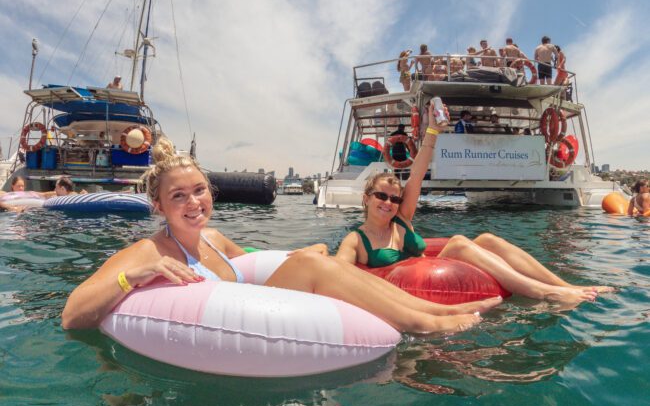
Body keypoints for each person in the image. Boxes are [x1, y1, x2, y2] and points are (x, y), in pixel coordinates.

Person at [62, 138, 489, 335]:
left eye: (199, 190)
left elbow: (254, 259)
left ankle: (430, 310)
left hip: (251, 305)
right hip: (218, 331)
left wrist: (301, 251)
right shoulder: (147, 249)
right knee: (312, 265)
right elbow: (72, 314)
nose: (193, 202)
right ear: (159, 206)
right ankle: (423, 322)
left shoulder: (214, 239)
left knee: (312, 258)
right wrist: (130, 279)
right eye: (179, 196)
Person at [336, 101, 607, 307]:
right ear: (367, 197)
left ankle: (565, 284)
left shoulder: (401, 218)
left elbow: (417, 172)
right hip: (406, 285)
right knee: (458, 243)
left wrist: (433, 131)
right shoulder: (357, 240)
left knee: (488, 238)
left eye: (394, 198)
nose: (389, 203)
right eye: (381, 196)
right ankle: (542, 292)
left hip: (424, 268)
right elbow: (336, 274)